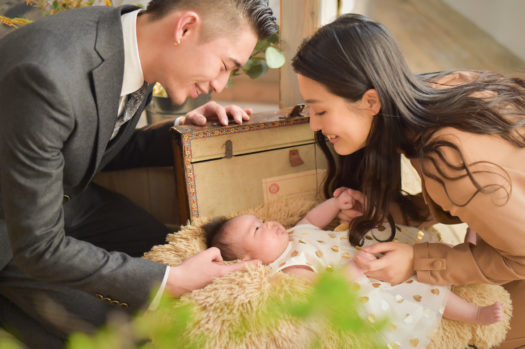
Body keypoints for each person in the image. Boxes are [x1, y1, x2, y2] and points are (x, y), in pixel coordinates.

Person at [0, 0, 277, 347]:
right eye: (224, 66)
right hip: (15, 229)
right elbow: (40, 245)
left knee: (171, 249)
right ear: (184, 28)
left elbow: (91, 143)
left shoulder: (132, 39)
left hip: (62, 197)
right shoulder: (47, 76)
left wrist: (180, 132)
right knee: (127, 331)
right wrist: (167, 281)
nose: (220, 85)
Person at [291, 13, 525, 348]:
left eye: (321, 110)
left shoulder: (451, 160)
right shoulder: (435, 91)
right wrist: (394, 210)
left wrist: (418, 260)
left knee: (482, 335)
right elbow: (473, 194)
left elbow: (520, 254)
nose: (313, 124)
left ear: (371, 101)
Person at [205, 189, 504, 349]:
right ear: (249, 261)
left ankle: (471, 247)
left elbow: (311, 219)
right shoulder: (289, 269)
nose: (268, 223)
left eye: (260, 220)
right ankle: (474, 314)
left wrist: (335, 205)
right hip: (366, 279)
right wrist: (355, 268)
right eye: (258, 230)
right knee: (423, 283)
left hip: (366, 251)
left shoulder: (293, 234)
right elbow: (325, 289)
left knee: (424, 254)